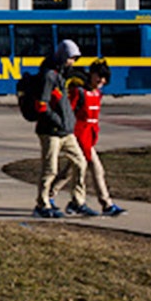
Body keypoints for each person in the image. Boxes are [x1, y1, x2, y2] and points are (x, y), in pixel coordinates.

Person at [49, 59, 127, 216]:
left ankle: (50, 195)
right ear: (91, 75)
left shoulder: (98, 94)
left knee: (70, 171)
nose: (101, 81)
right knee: (96, 169)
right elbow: (68, 112)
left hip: (89, 138)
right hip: (78, 137)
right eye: (99, 76)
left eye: (105, 78)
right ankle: (105, 204)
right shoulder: (79, 92)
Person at [32, 39, 98, 218]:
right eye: (71, 58)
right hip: (51, 132)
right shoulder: (48, 76)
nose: (73, 62)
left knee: (80, 162)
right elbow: (41, 105)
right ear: (62, 56)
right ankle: (42, 204)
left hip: (66, 132)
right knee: (50, 169)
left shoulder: (62, 74)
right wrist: (57, 121)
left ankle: (78, 202)